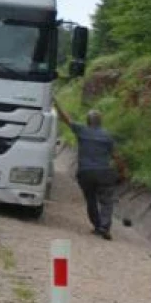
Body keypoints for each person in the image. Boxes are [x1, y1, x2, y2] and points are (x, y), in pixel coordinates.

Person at [54, 100, 125, 240]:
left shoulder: (82, 130)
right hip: (104, 172)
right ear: (100, 122)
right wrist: (122, 172)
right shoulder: (107, 136)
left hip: (85, 173)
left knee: (91, 199)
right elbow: (117, 157)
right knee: (106, 200)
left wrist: (57, 104)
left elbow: (66, 119)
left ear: (88, 121)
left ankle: (98, 226)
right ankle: (105, 226)